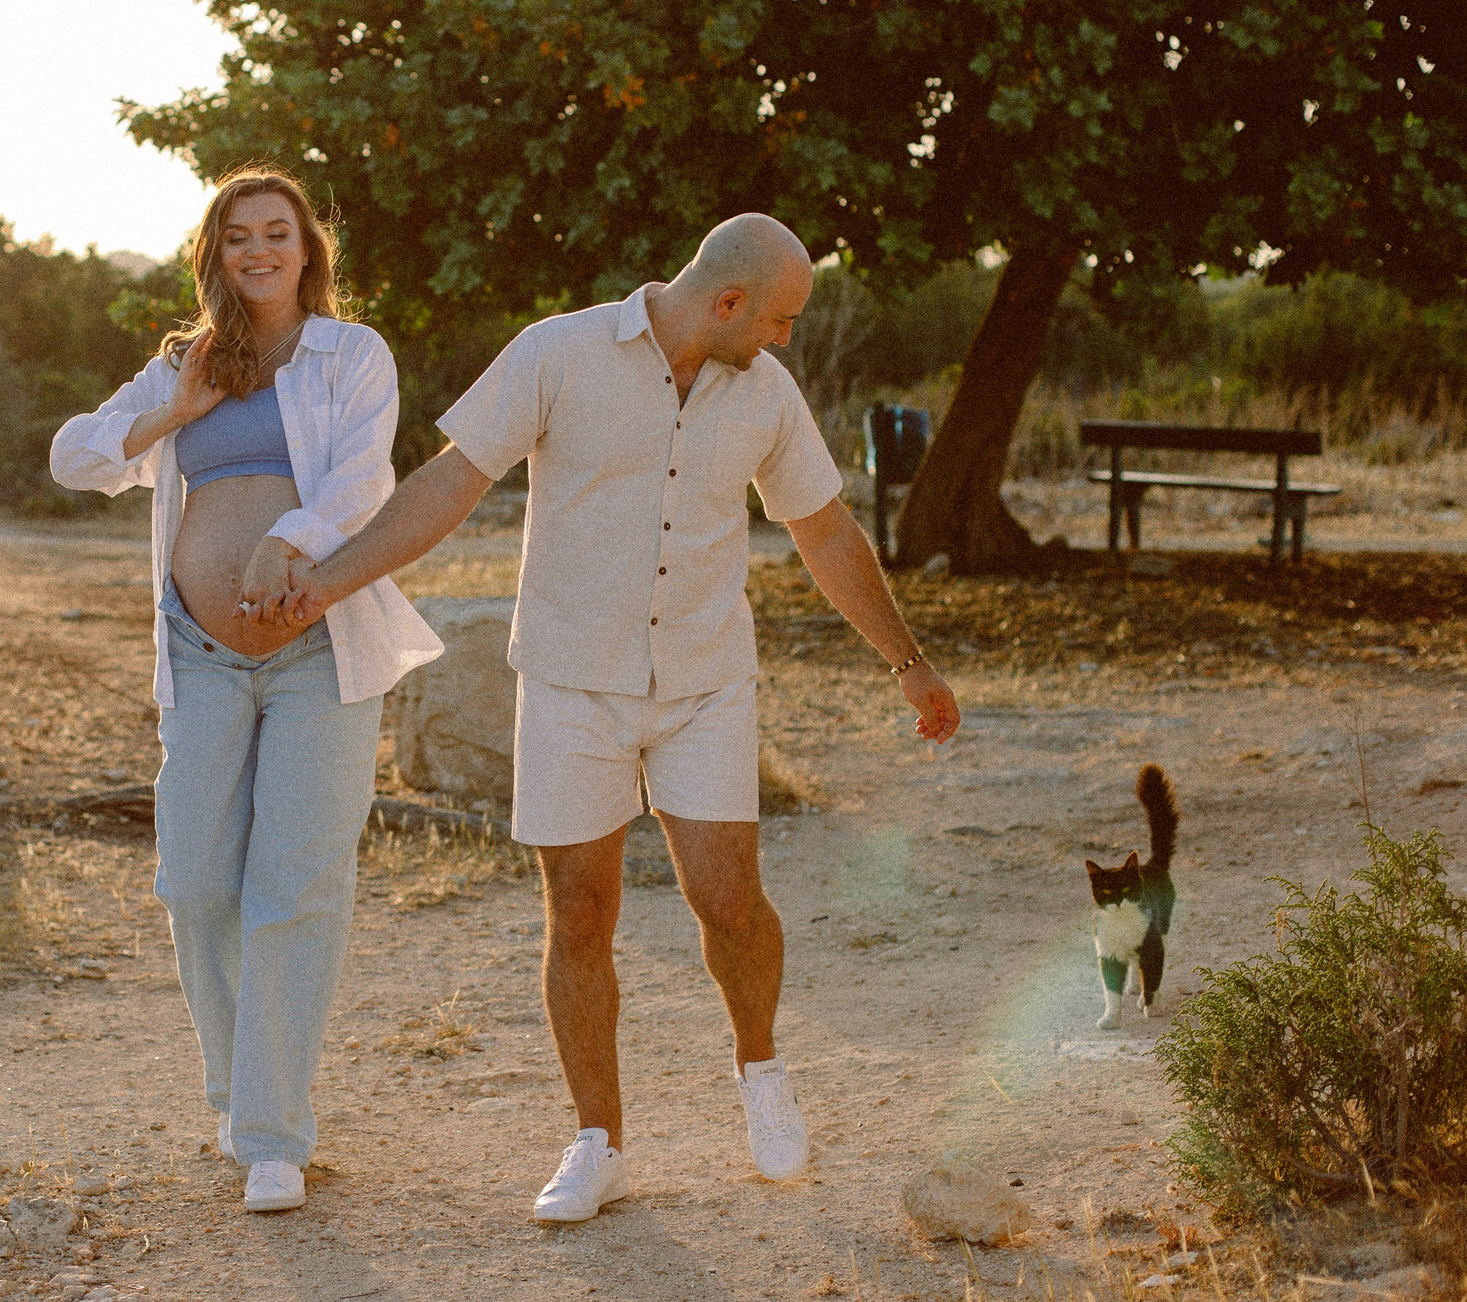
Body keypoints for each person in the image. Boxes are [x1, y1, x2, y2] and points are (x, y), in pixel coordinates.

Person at [255, 213, 961, 1222]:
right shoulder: (558, 352)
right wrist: (326, 583)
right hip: (570, 682)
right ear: (726, 302)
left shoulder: (765, 393)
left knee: (730, 900)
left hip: (705, 681)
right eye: (779, 318)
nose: (785, 338)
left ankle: (759, 1071)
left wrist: (909, 662)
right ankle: (599, 1144)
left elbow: (822, 526)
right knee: (579, 912)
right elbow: (449, 485)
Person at [49, 169, 441, 1215]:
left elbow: (364, 482)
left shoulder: (349, 355)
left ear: (309, 248)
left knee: (294, 884)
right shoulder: (186, 364)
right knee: (194, 880)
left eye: (277, 233)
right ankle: (237, 1090)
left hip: (320, 648)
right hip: (203, 653)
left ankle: (272, 1133)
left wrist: (287, 538)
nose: (259, 251)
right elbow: (72, 459)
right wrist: (169, 411)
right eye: (237, 237)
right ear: (214, 254)